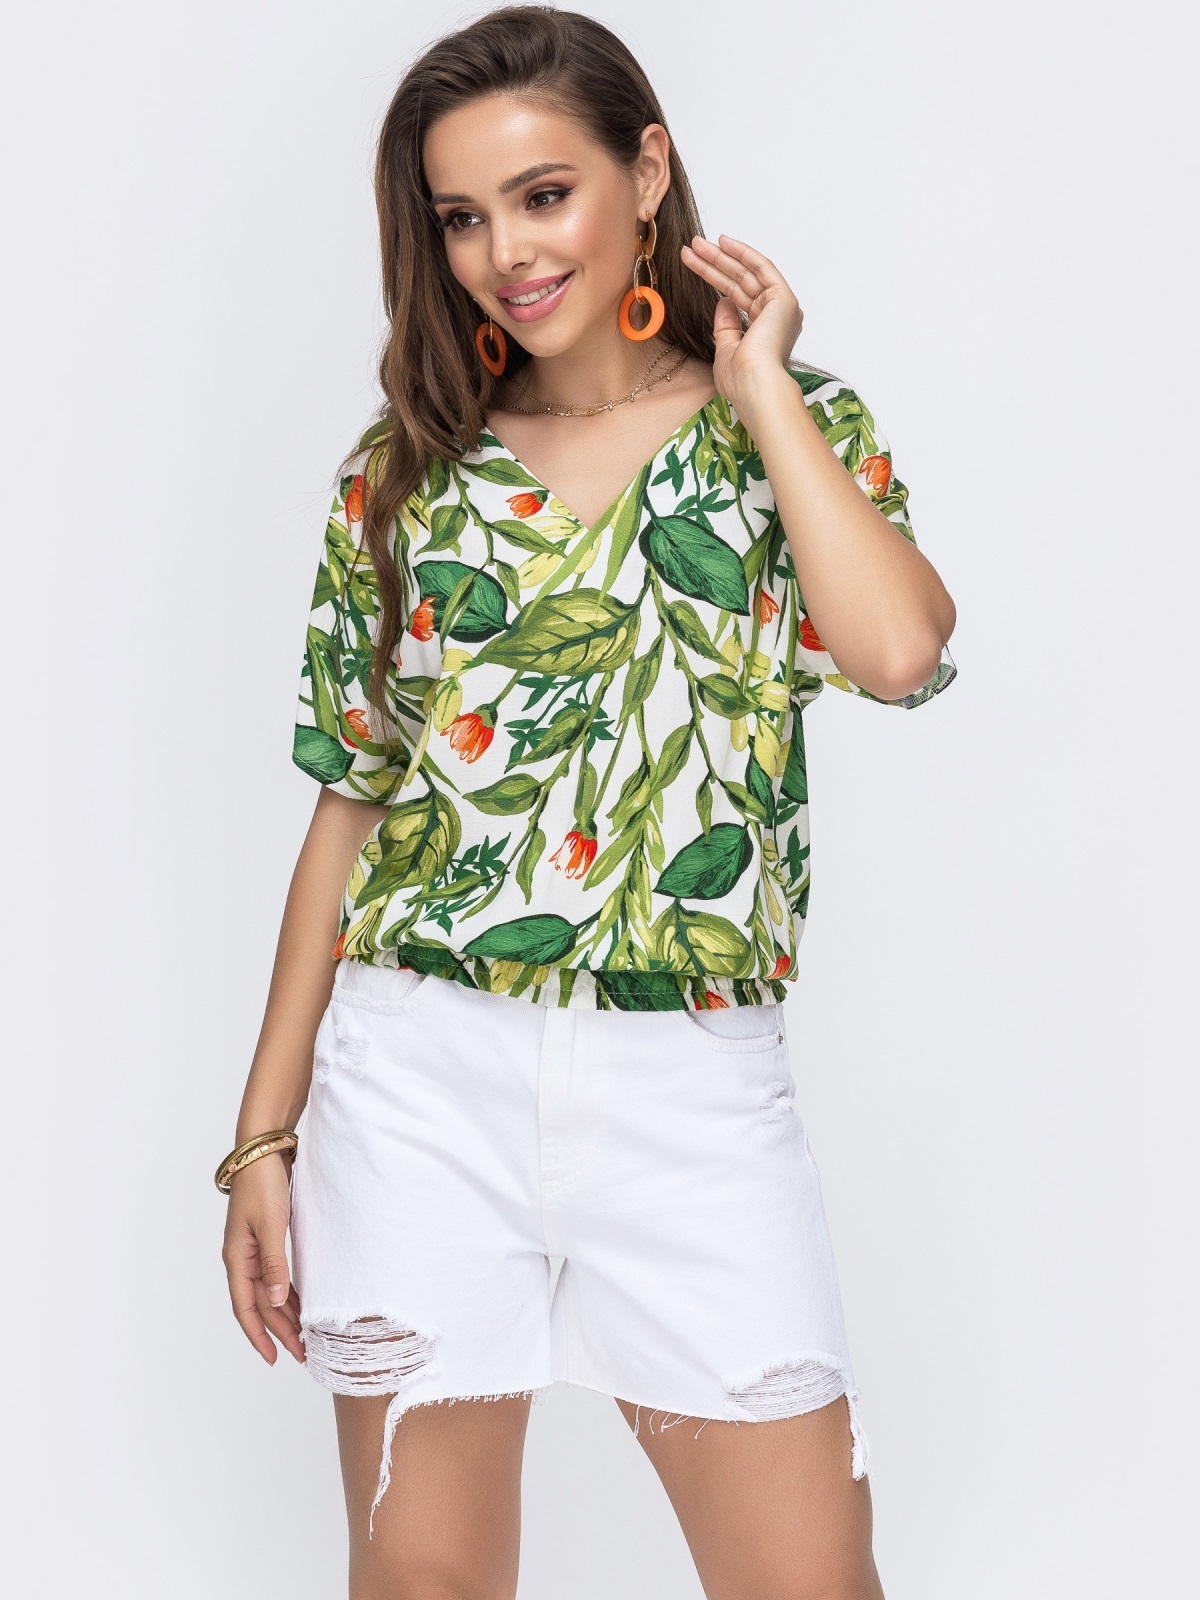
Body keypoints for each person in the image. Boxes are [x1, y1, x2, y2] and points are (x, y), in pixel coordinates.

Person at [217, 7, 957, 1596]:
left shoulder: (791, 426)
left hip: (692, 1086)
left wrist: (758, 386)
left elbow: (898, 651)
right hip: (418, 1080)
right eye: (461, 217)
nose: (505, 254)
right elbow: (352, 805)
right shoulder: (405, 472)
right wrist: (261, 1135)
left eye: (543, 195)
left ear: (649, 169)